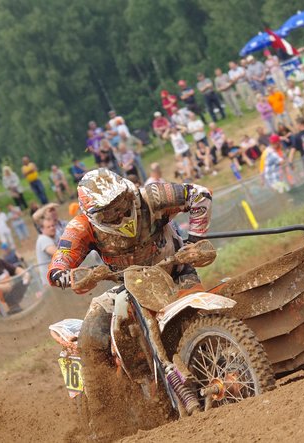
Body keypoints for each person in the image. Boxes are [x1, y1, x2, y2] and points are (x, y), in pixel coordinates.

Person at [46, 169, 213, 432]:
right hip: (127, 286)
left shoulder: (151, 197)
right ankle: (104, 418)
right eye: (109, 212)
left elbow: (199, 194)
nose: (120, 214)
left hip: (175, 271)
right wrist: (79, 276)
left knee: (204, 313)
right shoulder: (81, 227)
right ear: (94, 215)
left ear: (128, 193)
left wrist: (195, 241)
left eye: (121, 204)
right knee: (91, 335)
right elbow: (56, 270)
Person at [0, 242, 28, 315]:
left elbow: (15, 269)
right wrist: (2, 287)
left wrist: (25, 273)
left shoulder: (0, 262)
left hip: (12, 298)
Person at [36, 217, 58, 286]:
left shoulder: (52, 237)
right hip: (51, 282)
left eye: (53, 225)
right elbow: (58, 253)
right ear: (42, 229)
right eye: (48, 227)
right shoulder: (43, 239)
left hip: (54, 279)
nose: (52, 228)